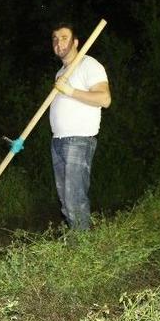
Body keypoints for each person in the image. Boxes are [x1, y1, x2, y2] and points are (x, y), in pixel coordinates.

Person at [48, 22, 111, 230]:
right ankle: (76, 243)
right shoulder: (61, 73)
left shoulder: (88, 64)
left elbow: (104, 99)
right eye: (55, 39)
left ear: (76, 42)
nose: (58, 42)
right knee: (66, 202)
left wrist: (70, 91)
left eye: (64, 37)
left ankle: (83, 246)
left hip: (78, 140)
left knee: (74, 199)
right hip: (58, 141)